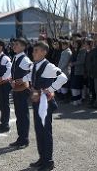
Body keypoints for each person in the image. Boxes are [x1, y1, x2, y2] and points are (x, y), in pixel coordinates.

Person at [20, 41, 67, 171]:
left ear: (44, 52)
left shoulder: (49, 66)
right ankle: (42, 158)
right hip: (36, 102)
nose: (33, 53)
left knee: (45, 132)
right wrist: (19, 80)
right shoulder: (35, 65)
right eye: (33, 50)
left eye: (36, 50)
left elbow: (63, 77)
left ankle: (48, 162)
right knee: (39, 130)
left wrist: (51, 89)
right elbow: (31, 75)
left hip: (45, 104)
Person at [9, 38, 32, 148]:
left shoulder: (25, 59)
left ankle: (25, 139)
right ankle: (20, 138)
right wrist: (11, 79)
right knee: (19, 115)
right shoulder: (15, 57)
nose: (14, 46)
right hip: (16, 89)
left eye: (17, 45)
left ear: (23, 47)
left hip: (23, 90)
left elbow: (34, 72)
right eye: (14, 44)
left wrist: (24, 79)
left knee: (23, 115)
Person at [0, 39, 12, 133]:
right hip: (0, 84)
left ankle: (5, 124)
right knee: (1, 103)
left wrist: (2, 78)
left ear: (0, 47)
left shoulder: (5, 58)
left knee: (5, 104)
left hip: (5, 84)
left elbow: (10, 69)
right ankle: (2, 122)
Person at [70, 38, 87, 106]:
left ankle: (76, 101)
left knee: (76, 87)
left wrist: (73, 63)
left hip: (79, 71)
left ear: (79, 44)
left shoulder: (82, 50)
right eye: (73, 43)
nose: (73, 44)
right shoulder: (74, 50)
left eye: (75, 43)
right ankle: (77, 100)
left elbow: (81, 61)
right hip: (74, 70)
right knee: (76, 87)